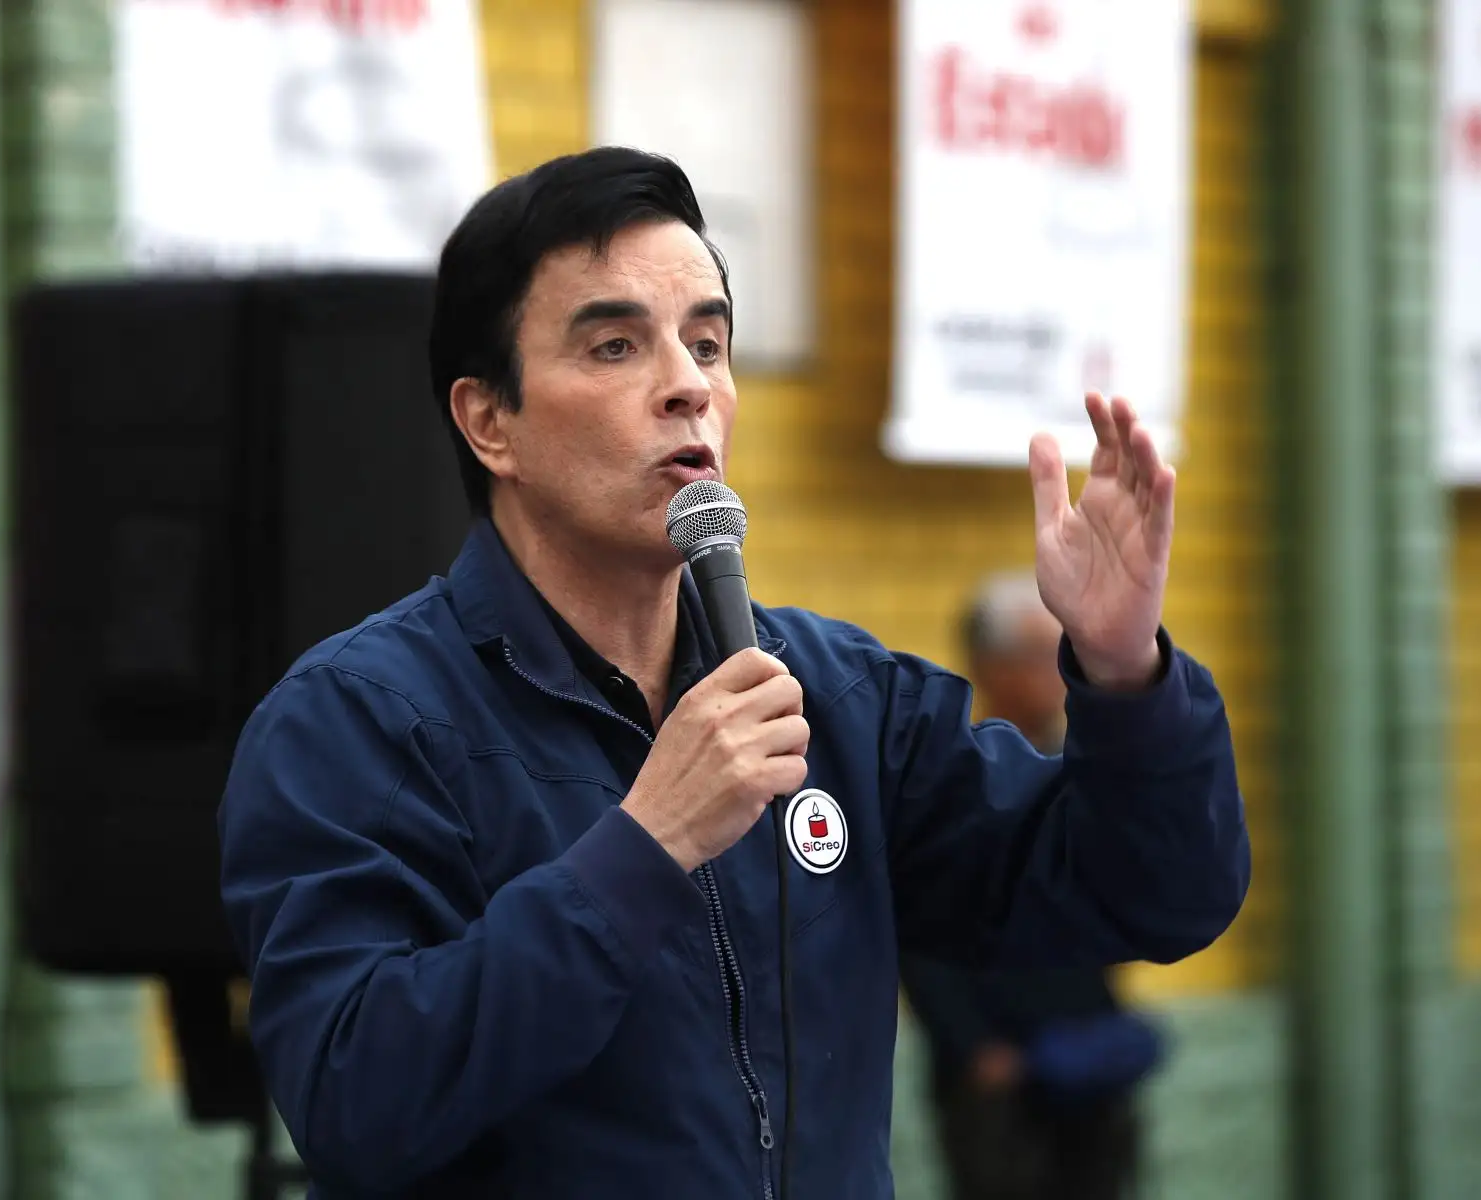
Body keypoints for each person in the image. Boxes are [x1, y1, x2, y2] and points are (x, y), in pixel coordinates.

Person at [216, 146, 1250, 1199]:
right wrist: (644, 849)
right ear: (490, 422)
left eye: (707, 343)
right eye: (615, 346)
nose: (687, 387)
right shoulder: (358, 723)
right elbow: (355, 1101)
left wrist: (1126, 676)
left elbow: (1161, 897)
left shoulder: (842, 699)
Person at [900, 570, 1166, 1200]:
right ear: (990, 667)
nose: (1062, 672)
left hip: (1086, 1062)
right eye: (1044, 655)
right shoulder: (947, 779)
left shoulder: (1082, 769)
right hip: (998, 1077)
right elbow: (916, 931)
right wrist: (975, 1049)